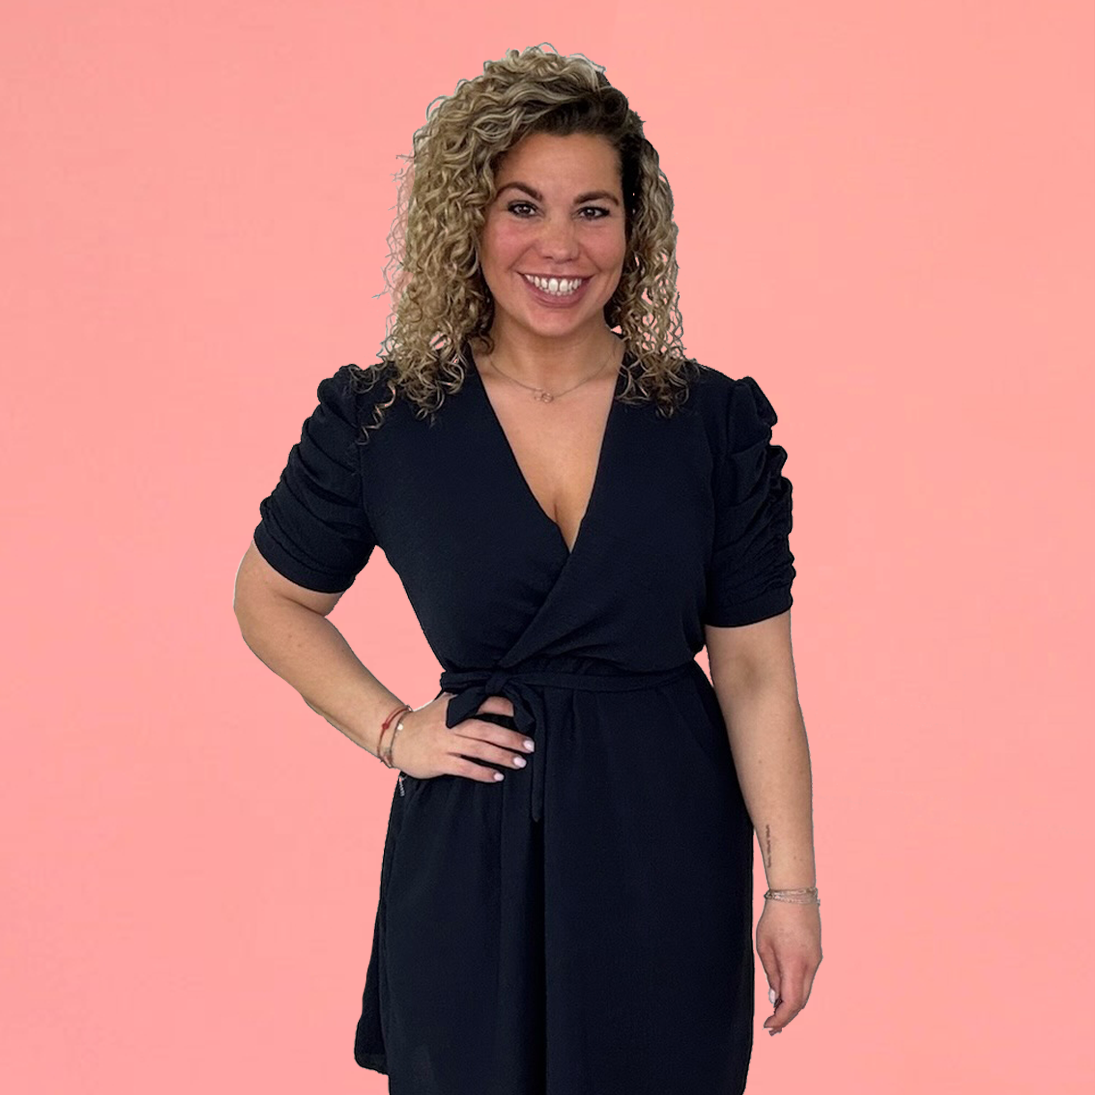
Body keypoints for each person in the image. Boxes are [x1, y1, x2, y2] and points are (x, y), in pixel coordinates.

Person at [233, 43, 822, 1094]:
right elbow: (270, 597)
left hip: (667, 850)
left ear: (634, 231)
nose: (561, 244)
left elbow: (754, 674)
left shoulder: (711, 422)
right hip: (471, 852)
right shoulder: (382, 419)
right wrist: (393, 730)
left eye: (594, 210)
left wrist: (792, 891)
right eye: (523, 206)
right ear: (469, 220)